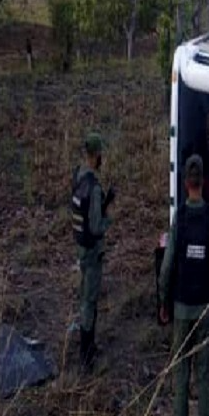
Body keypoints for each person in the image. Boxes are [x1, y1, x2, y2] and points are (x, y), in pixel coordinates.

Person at [158, 154, 209, 416]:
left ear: (186, 183)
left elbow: (169, 262)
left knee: (181, 377)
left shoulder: (180, 217)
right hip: (203, 310)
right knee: (204, 378)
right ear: (203, 183)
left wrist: (163, 300)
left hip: (183, 308)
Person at [70, 132, 114, 373]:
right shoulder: (94, 187)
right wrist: (108, 218)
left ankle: (86, 347)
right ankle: (86, 355)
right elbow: (97, 226)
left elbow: (84, 215)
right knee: (90, 300)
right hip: (93, 250)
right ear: (96, 155)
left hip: (81, 246)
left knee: (84, 297)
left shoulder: (78, 177)